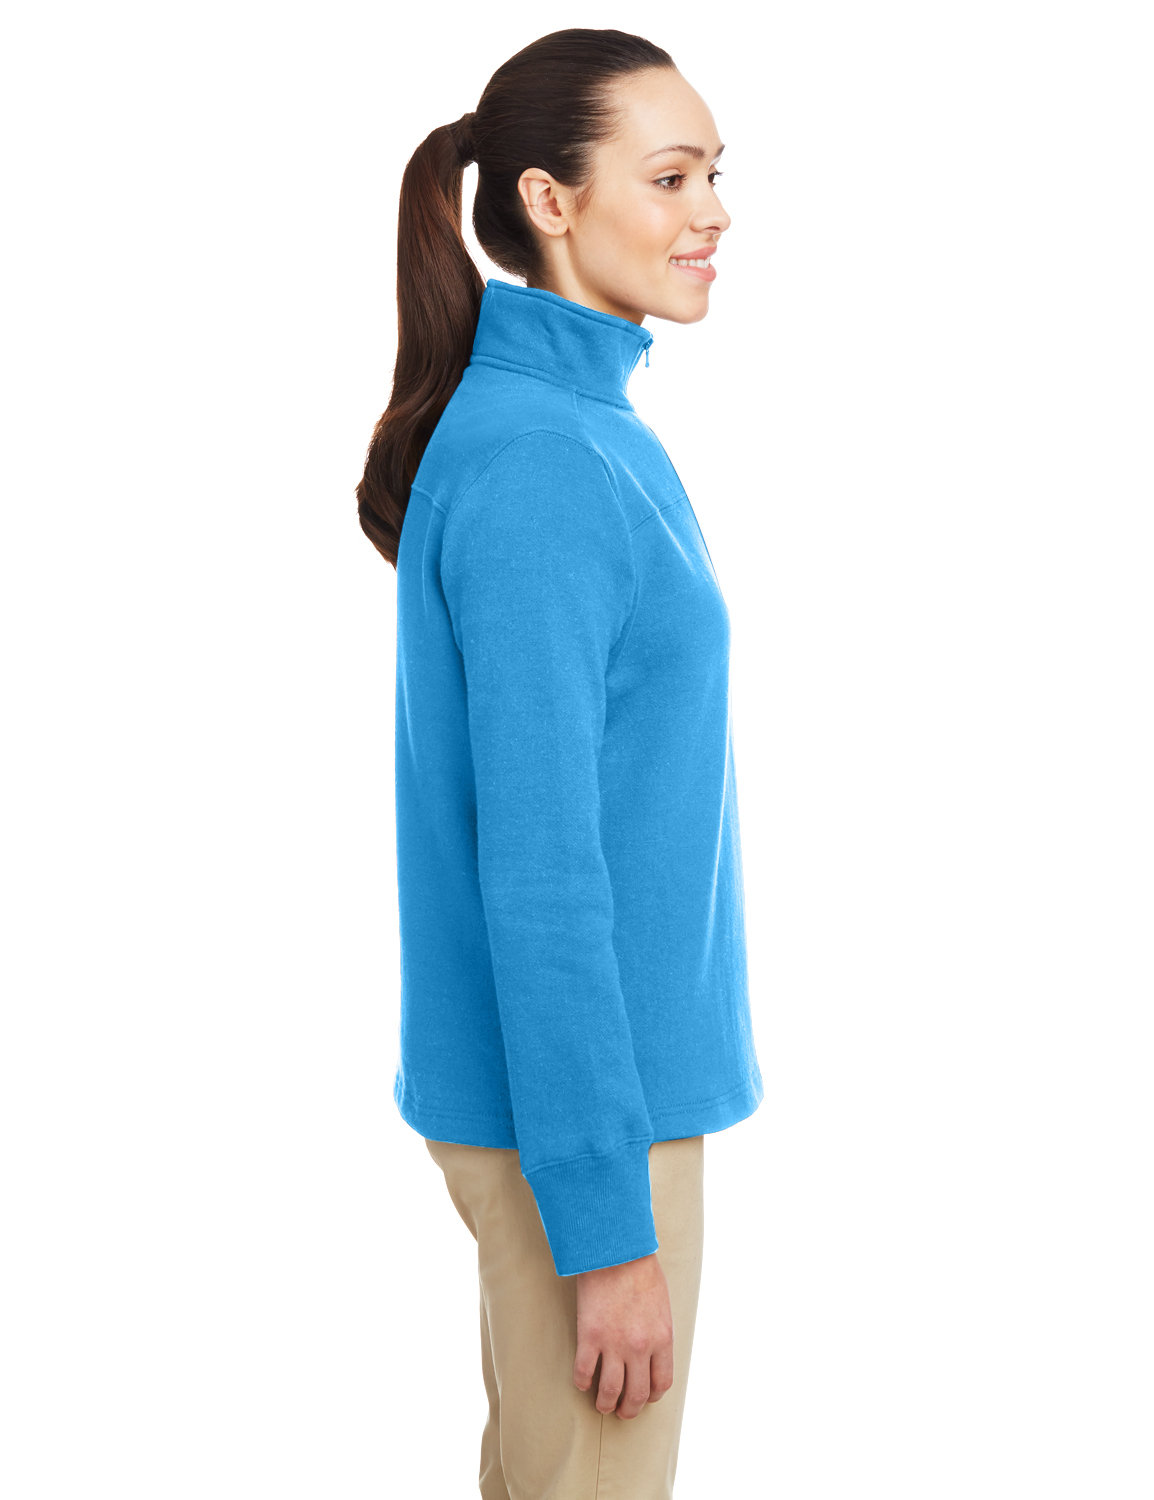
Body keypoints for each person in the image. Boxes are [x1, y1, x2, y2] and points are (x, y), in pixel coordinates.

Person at [357, 27, 765, 1499]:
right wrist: (606, 1233)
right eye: (670, 177)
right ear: (548, 198)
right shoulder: (544, 460)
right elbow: (539, 873)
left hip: (588, 1109)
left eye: (716, 175)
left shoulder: (579, 425)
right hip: (589, 1127)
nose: (714, 212)